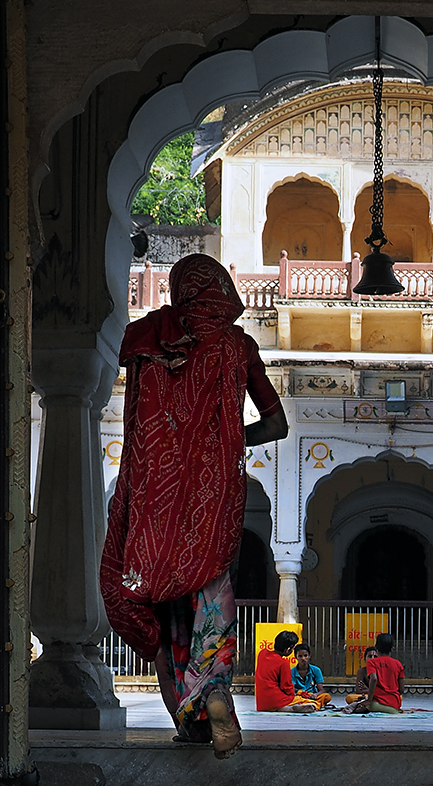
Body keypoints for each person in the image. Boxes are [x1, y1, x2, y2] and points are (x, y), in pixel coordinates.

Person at [99, 253, 289, 758]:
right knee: (210, 592)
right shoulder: (237, 346)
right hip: (213, 498)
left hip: (153, 499)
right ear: (223, 291)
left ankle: (187, 721)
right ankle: (217, 691)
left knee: (161, 614)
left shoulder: (147, 338)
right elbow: (277, 425)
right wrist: (227, 439)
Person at [254, 631, 328, 713]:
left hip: (261, 703)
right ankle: (288, 707)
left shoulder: (262, 653)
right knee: (314, 703)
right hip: (277, 699)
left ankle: (286, 708)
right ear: (287, 650)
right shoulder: (283, 663)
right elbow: (286, 687)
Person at [349, 633, 404, 714]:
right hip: (394, 703)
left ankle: (387, 710)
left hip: (377, 702)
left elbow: (374, 679)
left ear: (376, 647)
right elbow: (401, 689)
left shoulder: (372, 662)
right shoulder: (398, 664)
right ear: (392, 649)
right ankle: (392, 710)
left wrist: (369, 700)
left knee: (360, 705)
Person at [290, 643, 332, 708]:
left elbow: (321, 690)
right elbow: (291, 690)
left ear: (309, 656)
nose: (303, 658)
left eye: (305, 655)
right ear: (296, 657)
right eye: (300, 656)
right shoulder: (292, 672)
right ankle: (314, 705)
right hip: (299, 697)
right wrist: (300, 694)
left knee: (326, 696)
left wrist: (315, 695)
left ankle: (306, 704)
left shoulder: (316, 670)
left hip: (312, 696)